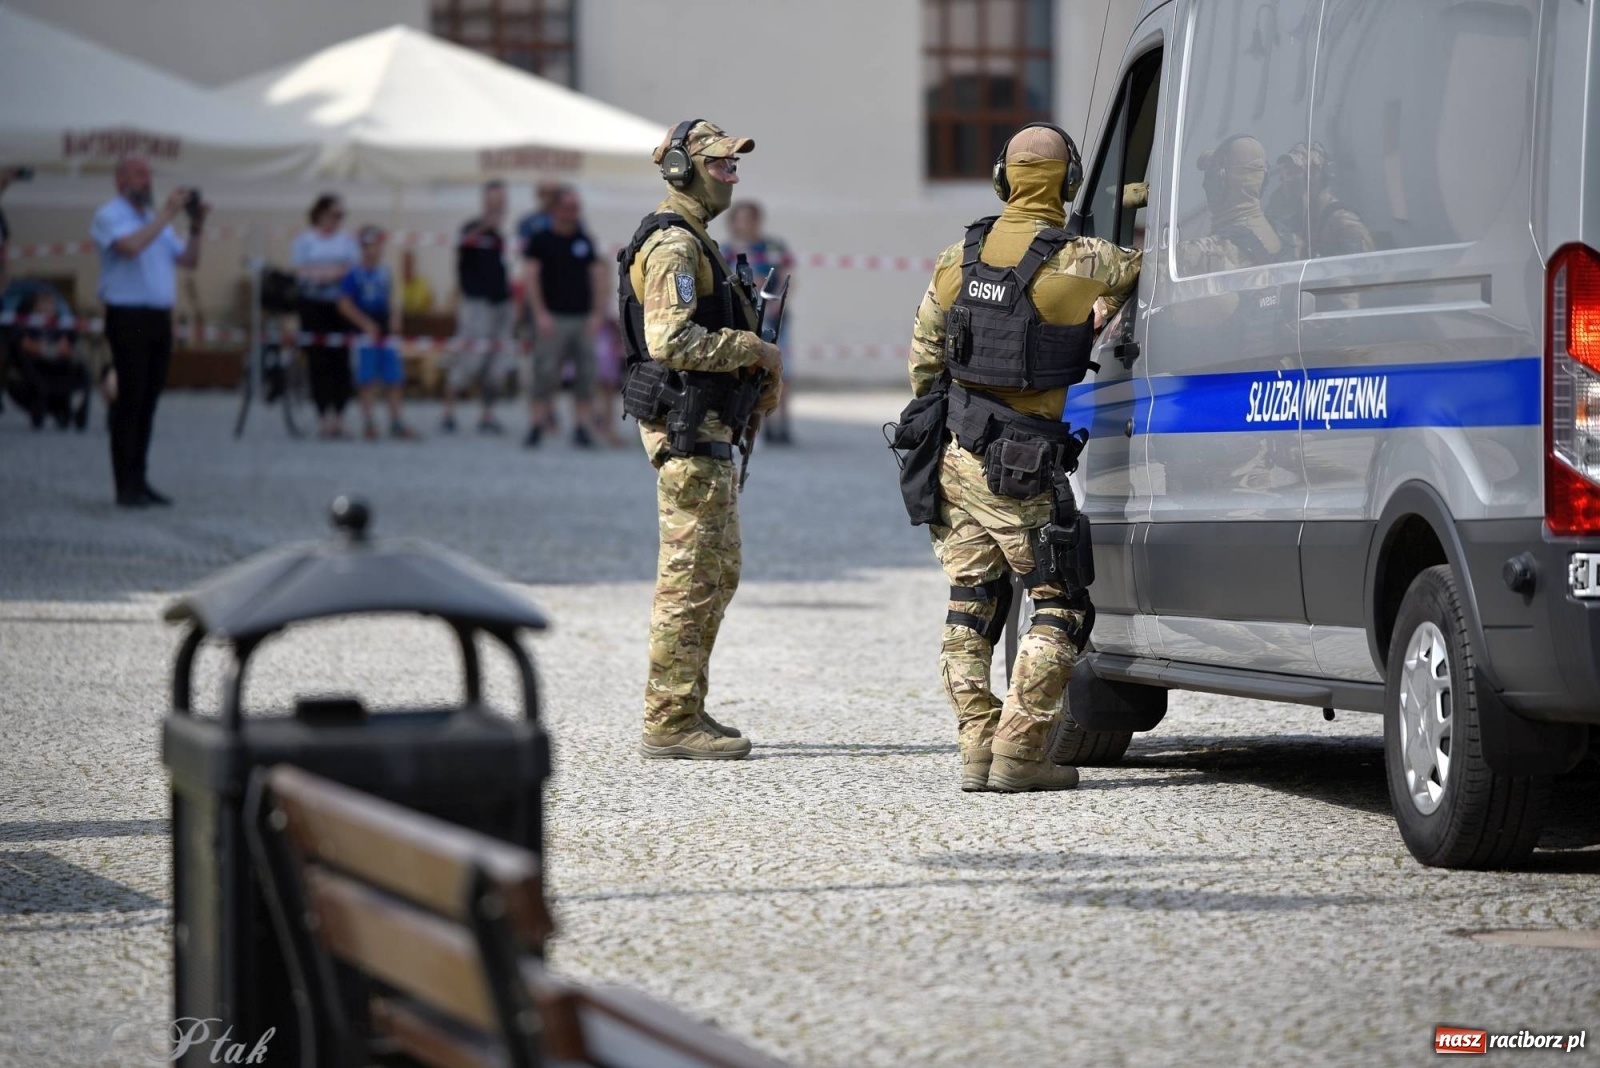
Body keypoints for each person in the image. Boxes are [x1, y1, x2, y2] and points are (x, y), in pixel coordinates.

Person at [900, 123, 1141, 792]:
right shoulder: (1085, 260)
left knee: (970, 604)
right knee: (1061, 603)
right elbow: (1144, 273)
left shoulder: (958, 258)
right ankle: (1021, 750)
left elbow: (923, 364)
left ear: (1004, 180)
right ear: (1067, 183)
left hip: (955, 452)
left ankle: (978, 749)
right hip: (1023, 465)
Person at [619, 119, 783, 760]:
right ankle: (668, 720)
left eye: (735, 165)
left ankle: (686, 706)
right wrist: (758, 350)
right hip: (687, 430)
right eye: (720, 165)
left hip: (708, 430)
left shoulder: (698, 241)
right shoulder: (674, 247)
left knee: (716, 573)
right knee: (689, 578)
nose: (733, 175)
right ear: (682, 169)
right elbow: (671, 342)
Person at [90, 155, 206, 507]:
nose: (148, 180)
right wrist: (166, 214)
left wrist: (198, 227)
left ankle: (139, 479)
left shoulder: (154, 220)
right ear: (120, 178)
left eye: (149, 175)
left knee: (149, 401)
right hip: (127, 316)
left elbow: (188, 261)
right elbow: (130, 248)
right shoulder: (110, 215)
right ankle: (124, 484)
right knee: (130, 399)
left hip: (158, 317)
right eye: (141, 174)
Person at [521, 187, 610, 447]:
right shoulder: (541, 240)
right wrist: (539, 313)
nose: (572, 214)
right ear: (556, 210)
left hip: (582, 318)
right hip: (553, 318)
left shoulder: (584, 240)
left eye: (575, 209)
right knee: (544, 373)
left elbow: (597, 277)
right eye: (568, 208)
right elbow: (531, 277)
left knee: (585, 374)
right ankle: (537, 423)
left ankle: (581, 426)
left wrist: (597, 313)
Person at [721, 200, 796, 444]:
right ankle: (751, 426)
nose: (745, 224)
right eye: (741, 218)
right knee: (745, 373)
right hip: (739, 322)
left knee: (780, 371)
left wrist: (777, 304)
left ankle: (781, 425)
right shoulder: (724, 251)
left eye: (750, 218)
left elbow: (787, 278)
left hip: (772, 319)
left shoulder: (772, 247)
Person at [445, 180, 515, 434]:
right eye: (495, 200)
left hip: (501, 304)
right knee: (468, 358)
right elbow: (460, 245)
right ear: (486, 201)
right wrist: (487, 224)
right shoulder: (472, 229)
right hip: (477, 305)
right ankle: (449, 413)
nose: (499, 206)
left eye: (502, 201)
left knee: (496, 364)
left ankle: (487, 415)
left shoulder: (501, 236)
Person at [336, 225, 417, 442]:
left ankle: (396, 421)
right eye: (368, 246)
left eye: (376, 246)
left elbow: (390, 297)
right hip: (364, 331)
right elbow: (344, 304)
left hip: (385, 330)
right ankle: (369, 422)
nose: (373, 251)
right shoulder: (353, 274)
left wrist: (394, 317)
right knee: (366, 379)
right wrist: (364, 323)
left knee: (394, 378)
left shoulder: (384, 272)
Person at [291, 194, 361, 439]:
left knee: (341, 362)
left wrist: (324, 273)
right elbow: (300, 271)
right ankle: (323, 417)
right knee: (317, 362)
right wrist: (329, 272)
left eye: (341, 216)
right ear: (320, 214)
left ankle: (339, 417)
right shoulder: (305, 240)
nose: (337, 220)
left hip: (340, 306)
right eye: (334, 214)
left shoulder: (346, 241)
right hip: (312, 306)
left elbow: (352, 270)